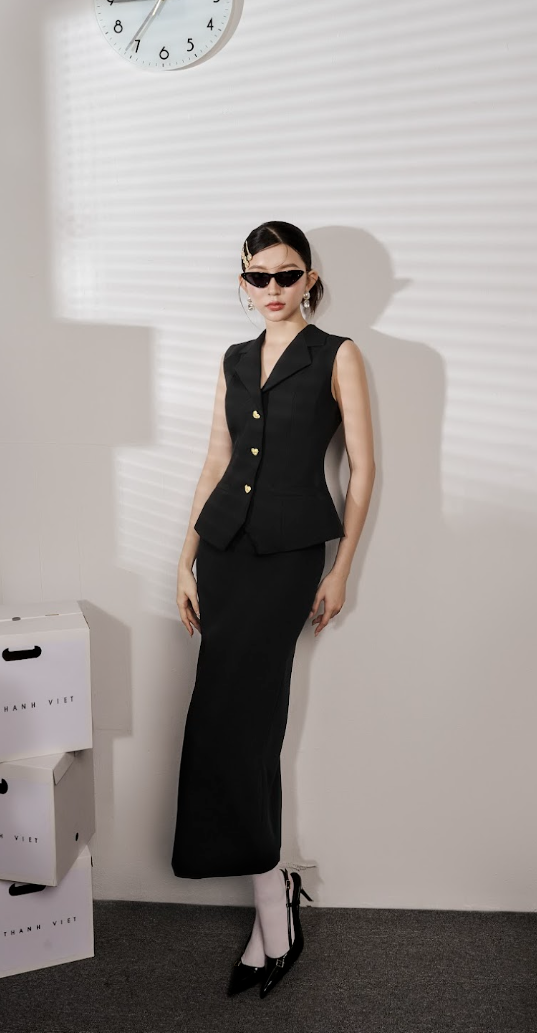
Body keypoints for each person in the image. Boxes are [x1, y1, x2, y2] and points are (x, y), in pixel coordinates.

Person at [172, 220, 375, 998]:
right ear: (243, 283)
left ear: (310, 279)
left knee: (250, 725)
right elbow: (215, 461)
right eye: (258, 277)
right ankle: (273, 898)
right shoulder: (233, 359)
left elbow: (363, 470)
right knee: (221, 724)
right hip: (224, 553)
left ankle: (274, 903)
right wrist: (183, 560)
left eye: (286, 275)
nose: (273, 290)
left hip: (290, 559)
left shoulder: (338, 354)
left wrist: (342, 569)